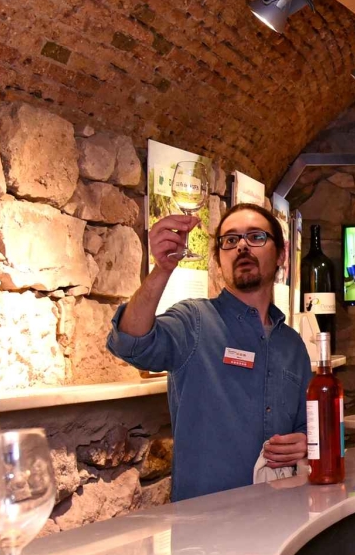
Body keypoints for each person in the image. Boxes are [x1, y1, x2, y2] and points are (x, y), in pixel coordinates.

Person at [107, 203, 312, 502]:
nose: (242, 246)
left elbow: (311, 426)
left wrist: (306, 442)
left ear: (281, 255)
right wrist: (162, 269)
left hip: (282, 513)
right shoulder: (194, 321)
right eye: (230, 240)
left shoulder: (293, 346)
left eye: (256, 237)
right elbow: (130, 343)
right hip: (205, 523)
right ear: (218, 260)